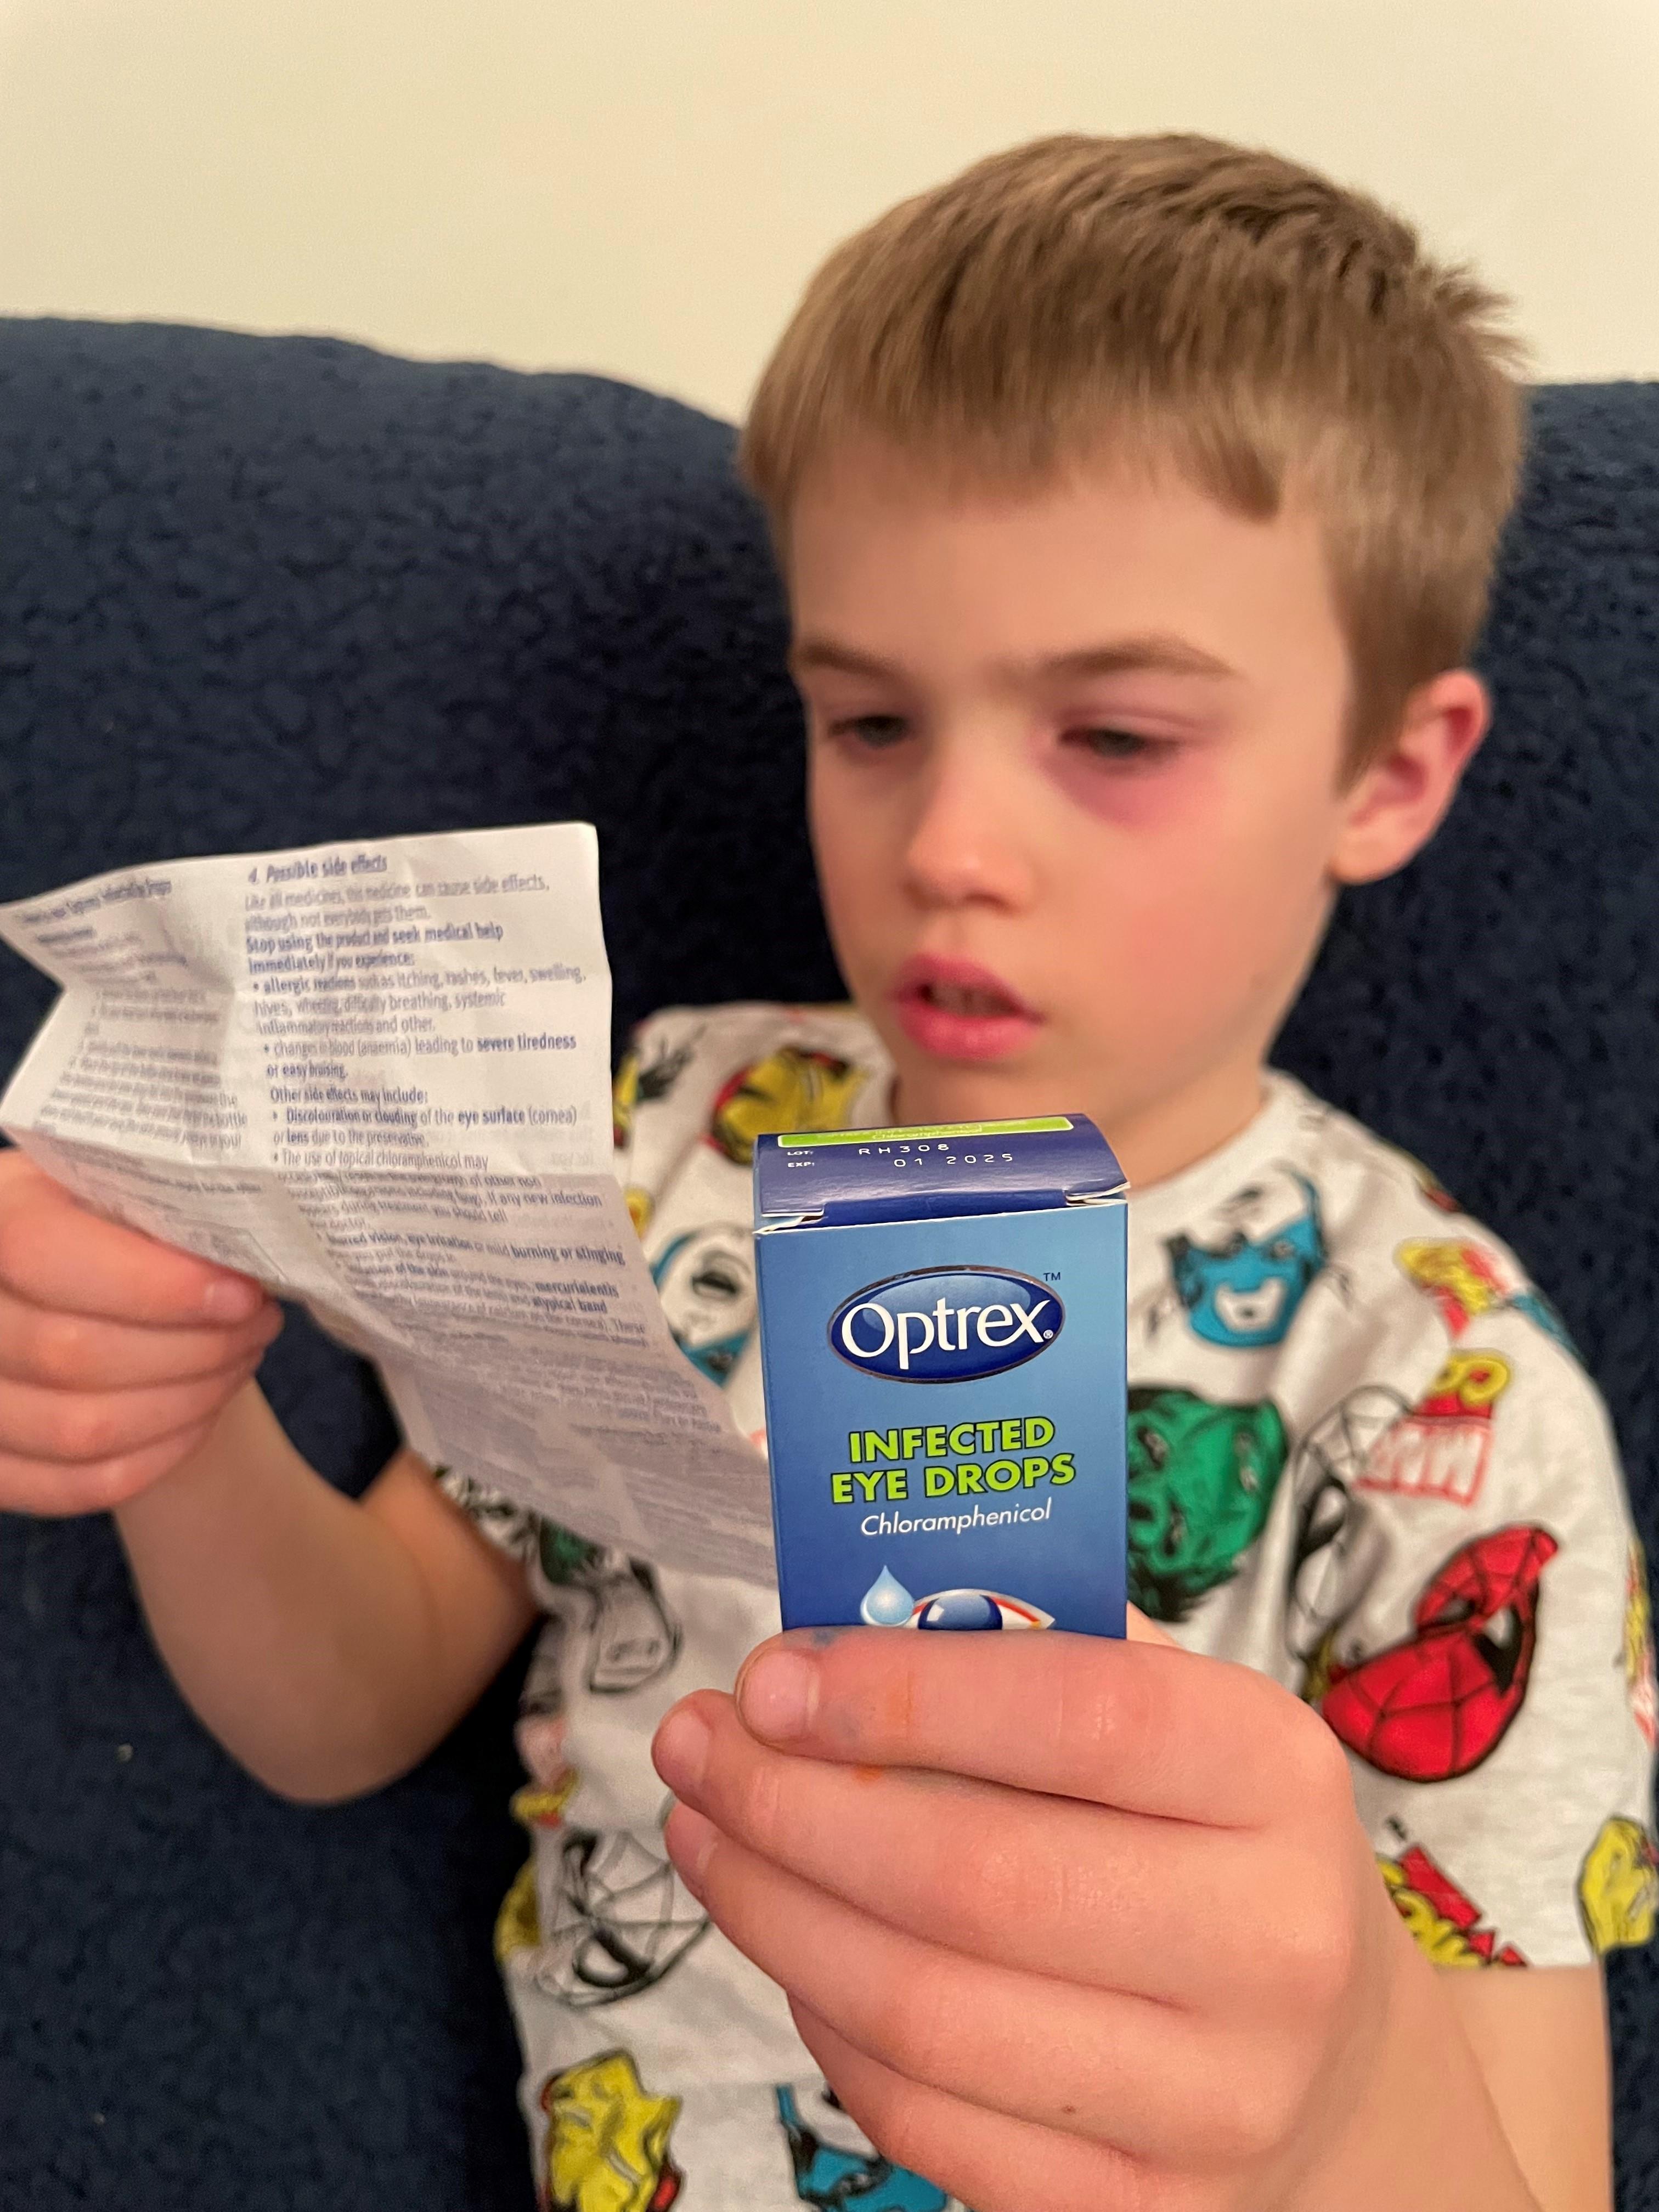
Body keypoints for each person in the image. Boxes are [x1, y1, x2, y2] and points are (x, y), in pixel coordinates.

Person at [0, 133, 1651, 2212]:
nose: (950, 846)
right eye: (870, 723)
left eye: (1115, 739)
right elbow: (343, 1706)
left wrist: (1334, 2113)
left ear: (1389, 774)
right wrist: (168, 1411)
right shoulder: (668, 1138)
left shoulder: (1442, 1393)